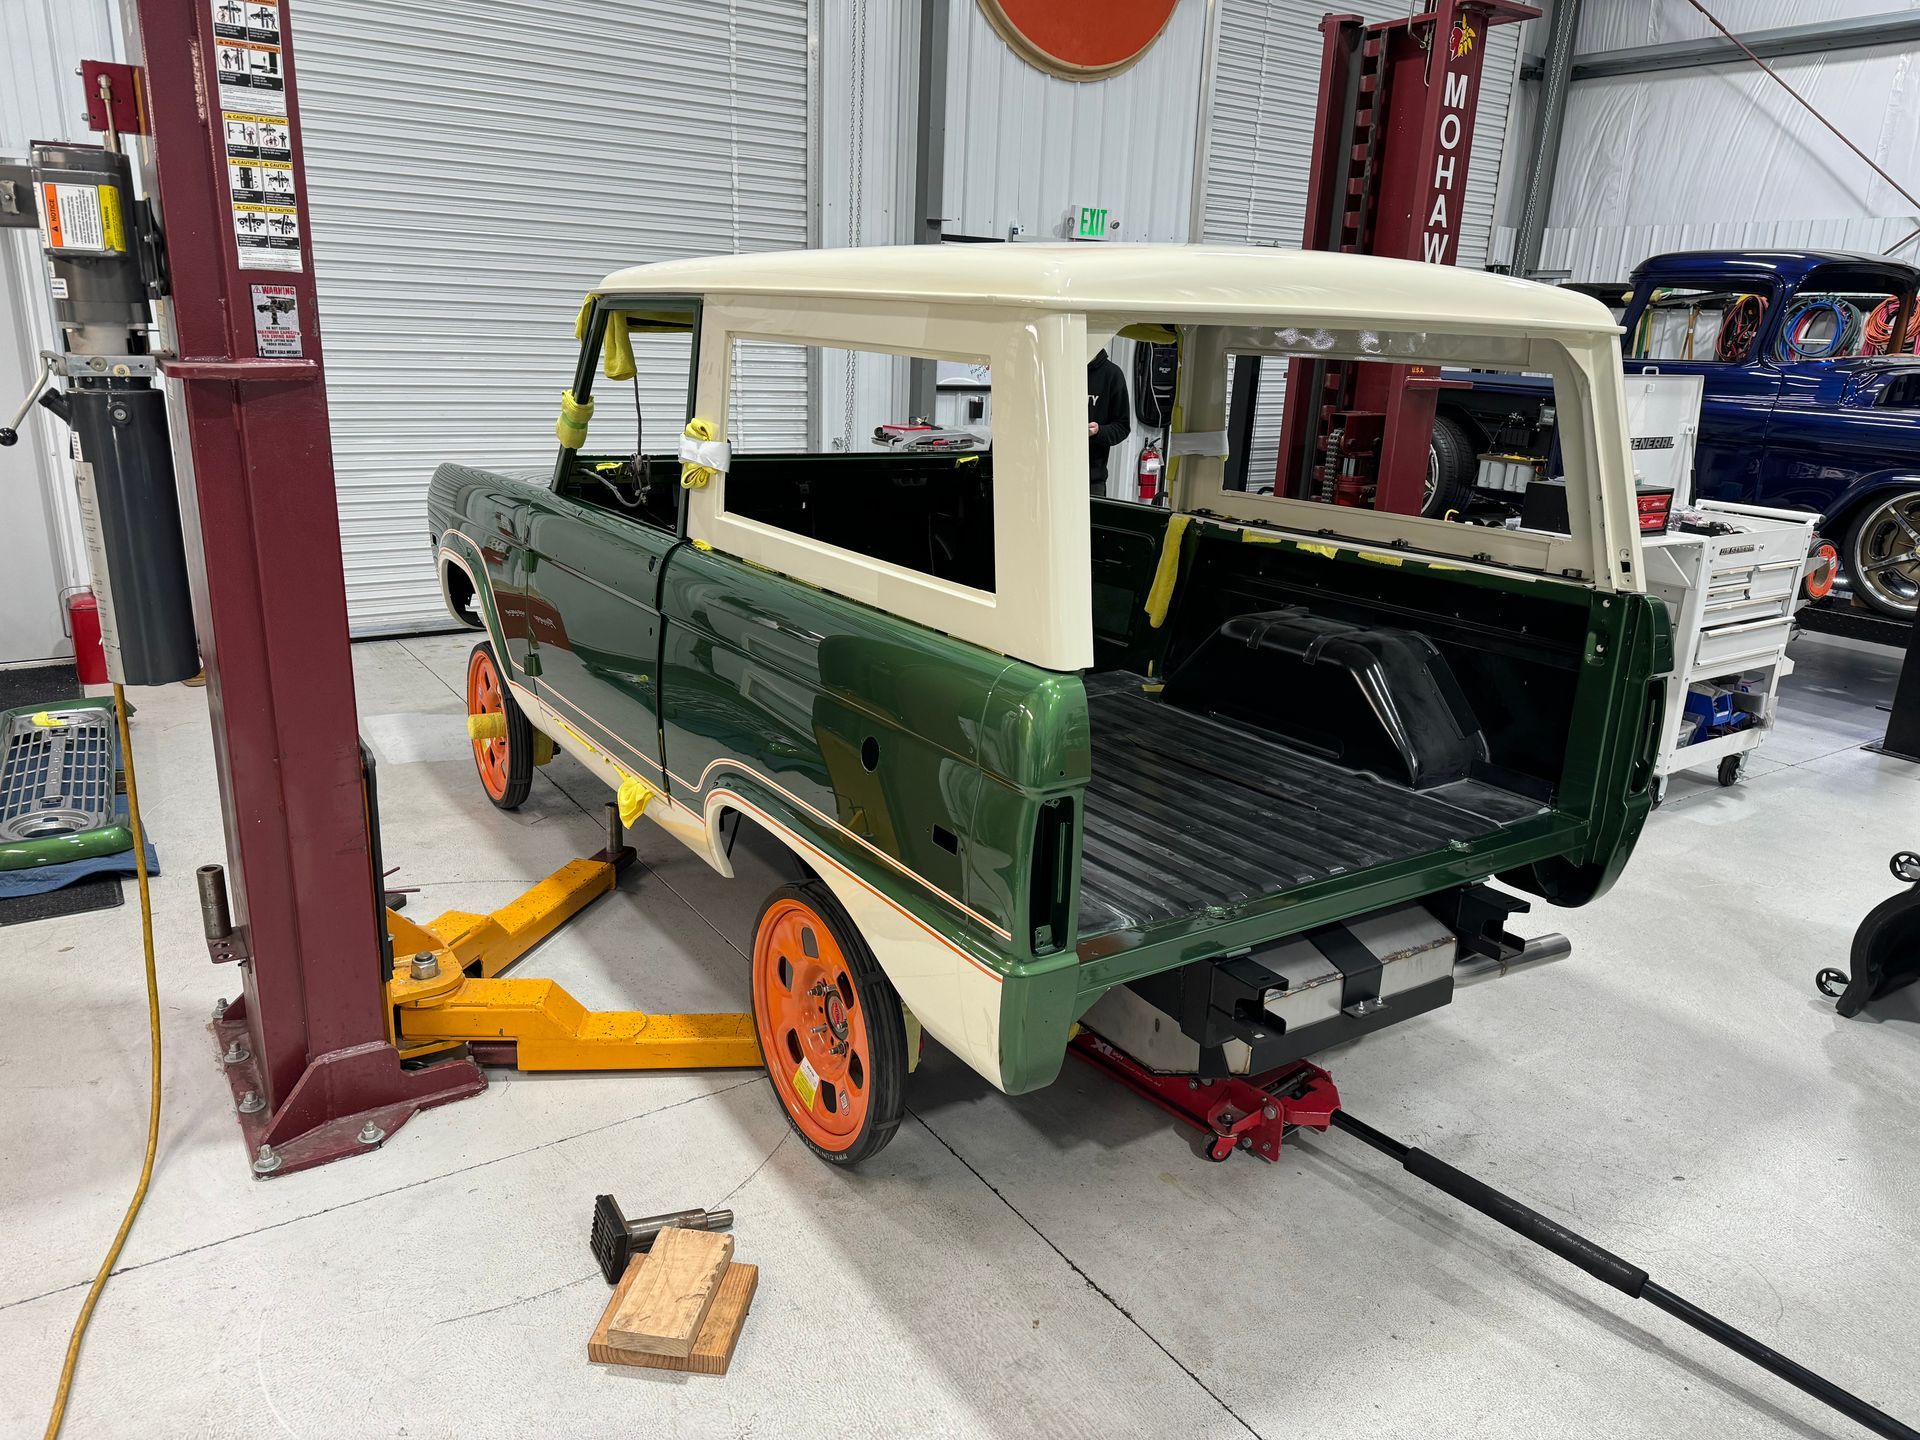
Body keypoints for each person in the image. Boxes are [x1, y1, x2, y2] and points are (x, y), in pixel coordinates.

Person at [1086, 346, 1130, 495]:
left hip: (1092, 481)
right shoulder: (1059, 370)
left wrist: (1098, 431)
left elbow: (1122, 427)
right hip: (1051, 474)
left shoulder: (1112, 374)